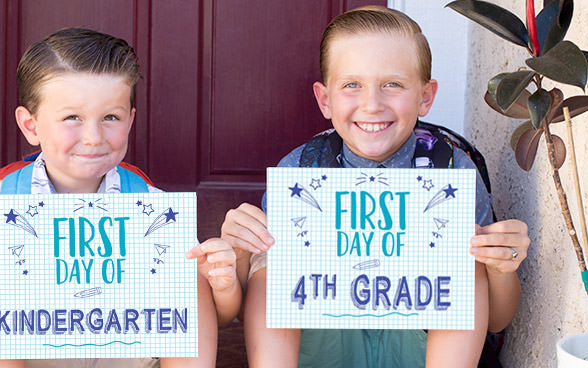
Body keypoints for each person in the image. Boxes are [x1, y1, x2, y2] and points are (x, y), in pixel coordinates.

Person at [219, 6, 529, 367]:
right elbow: (252, 299)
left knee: (465, 260)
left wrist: (501, 267)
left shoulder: (452, 169)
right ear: (325, 99)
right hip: (327, 345)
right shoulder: (303, 170)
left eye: (392, 84)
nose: (371, 104)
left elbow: (497, 319)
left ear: (425, 97)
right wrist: (240, 254)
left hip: (420, 346)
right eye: (352, 85)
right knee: (271, 267)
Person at [0, 28, 239, 368]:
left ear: (130, 121)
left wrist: (222, 285)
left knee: (188, 275)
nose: (93, 137)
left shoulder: (147, 202)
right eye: (72, 117)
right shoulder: (1, 199)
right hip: (34, 354)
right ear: (31, 126)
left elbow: (216, 316)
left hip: (123, 350)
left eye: (110, 118)